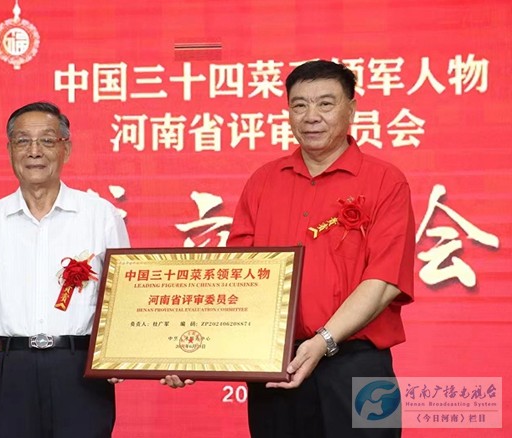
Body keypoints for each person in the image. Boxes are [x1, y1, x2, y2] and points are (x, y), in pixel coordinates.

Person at [163, 60, 415, 438]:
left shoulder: (385, 181)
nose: (311, 116)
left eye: (325, 104)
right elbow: (236, 281)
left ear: (351, 108)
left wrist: (323, 342)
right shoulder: (264, 181)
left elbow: (384, 281)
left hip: (359, 366)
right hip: (274, 364)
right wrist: (193, 352)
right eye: (299, 105)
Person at [0, 101, 130, 438]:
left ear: (65, 149)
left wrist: (118, 356)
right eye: (23, 141)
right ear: (10, 150)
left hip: (79, 371)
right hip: (8, 371)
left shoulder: (101, 216)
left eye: (46, 140)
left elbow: (124, 299)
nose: (34, 151)